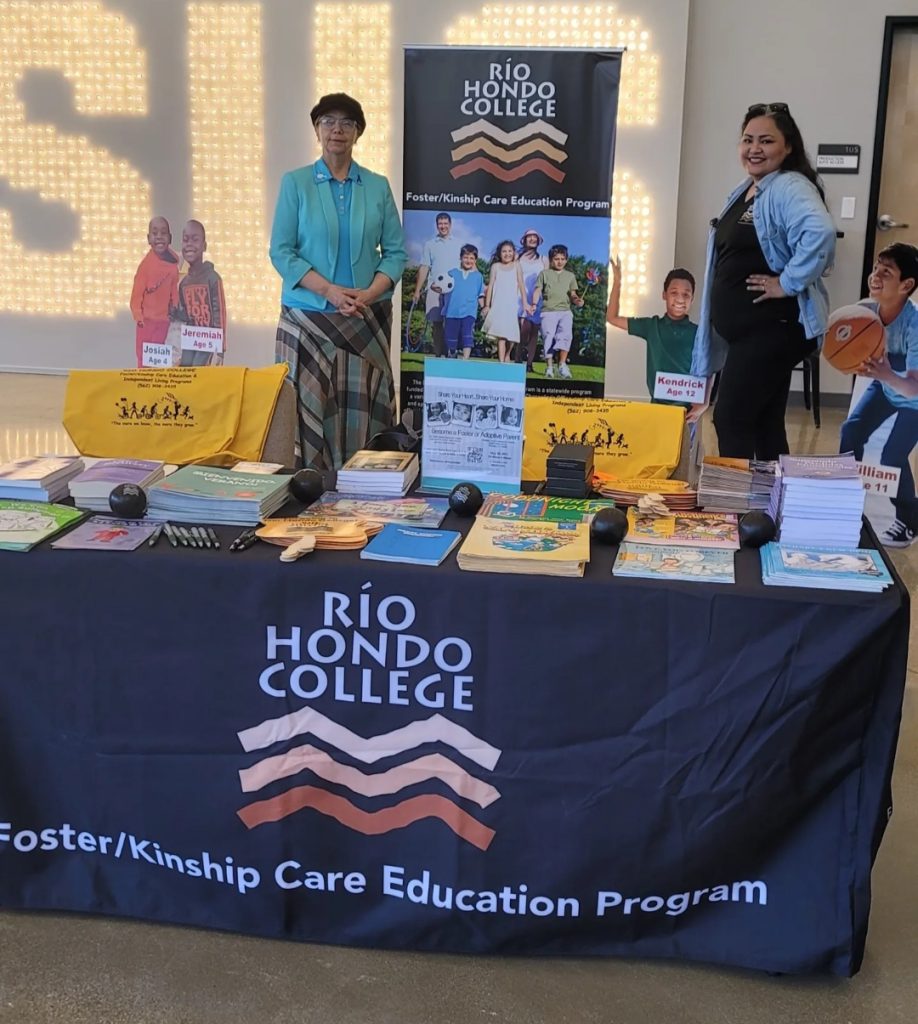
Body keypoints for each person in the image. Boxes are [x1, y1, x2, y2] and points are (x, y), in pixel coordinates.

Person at [688, 103, 836, 458]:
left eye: (766, 141)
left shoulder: (788, 186)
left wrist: (785, 283)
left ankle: (740, 510)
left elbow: (821, 231)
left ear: (788, 147)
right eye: (747, 139)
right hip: (753, 332)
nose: (754, 148)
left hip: (771, 328)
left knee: (731, 419)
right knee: (764, 424)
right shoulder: (746, 190)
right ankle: (768, 509)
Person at [270, 93, 407, 470]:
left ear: (358, 132)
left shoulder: (377, 186)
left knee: (365, 412)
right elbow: (281, 252)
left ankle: (366, 488)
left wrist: (369, 293)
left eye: (347, 123)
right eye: (328, 121)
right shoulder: (295, 183)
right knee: (308, 410)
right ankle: (308, 489)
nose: (337, 130)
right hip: (308, 320)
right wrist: (328, 290)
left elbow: (395, 253)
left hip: (365, 319)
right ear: (316, 129)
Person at [840, 242, 918, 548]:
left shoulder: (914, 324)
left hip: (913, 396)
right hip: (886, 385)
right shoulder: (866, 312)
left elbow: (913, 387)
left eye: (886, 272)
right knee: (851, 431)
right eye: (876, 268)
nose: (876, 275)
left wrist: (883, 373)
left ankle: (910, 517)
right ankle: (846, 502)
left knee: (892, 455)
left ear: (906, 285)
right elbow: (850, 352)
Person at [607, 259, 697, 406]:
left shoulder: (698, 333)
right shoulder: (651, 326)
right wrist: (617, 283)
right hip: (657, 408)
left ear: (692, 298)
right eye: (674, 292)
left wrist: (704, 403)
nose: (680, 299)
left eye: (686, 295)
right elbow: (612, 318)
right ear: (664, 295)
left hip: (688, 413)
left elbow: (710, 367)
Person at [173, 219, 226, 366]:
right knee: (185, 370)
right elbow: (186, 317)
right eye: (185, 240)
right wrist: (174, 312)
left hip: (209, 341)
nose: (189, 244)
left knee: (199, 372)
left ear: (204, 246)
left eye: (195, 239)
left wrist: (220, 350)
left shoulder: (213, 279)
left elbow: (220, 315)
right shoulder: (183, 284)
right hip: (190, 339)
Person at [130, 216, 179, 367]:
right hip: (146, 322)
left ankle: (157, 387)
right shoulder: (145, 266)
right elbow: (136, 295)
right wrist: (139, 317)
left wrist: (176, 309)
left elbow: (174, 290)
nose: (159, 237)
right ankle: (143, 388)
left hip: (164, 322)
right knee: (143, 358)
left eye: (163, 233)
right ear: (148, 238)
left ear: (170, 238)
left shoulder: (173, 266)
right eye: (155, 233)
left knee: (159, 360)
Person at [531, 244, 585, 378]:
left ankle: (562, 365)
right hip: (548, 311)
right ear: (550, 260)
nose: (559, 261)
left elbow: (573, 294)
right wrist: (533, 304)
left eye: (562, 259)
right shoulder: (544, 274)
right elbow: (537, 290)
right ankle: (549, 368)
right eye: (556, 259)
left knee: (565, 336)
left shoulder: (570, 276)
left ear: (566, 260)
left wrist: (577, 300)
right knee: (548, 337)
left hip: (565, 311)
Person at [412, 213, 461, 357]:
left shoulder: (459, 244)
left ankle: (451, 354)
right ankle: (438, 355)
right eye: (440, 223)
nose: (443, 226)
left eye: (446, 223)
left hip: (453, 289)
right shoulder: (429, 244)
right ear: (437, 225)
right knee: (437, 324)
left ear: (450, 225)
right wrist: (417, 290)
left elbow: (467, 265)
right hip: (434, 288)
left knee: (452, 323)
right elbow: (424, 267)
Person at [483, 240, 530, 362]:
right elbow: (491, 285)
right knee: (501, 336)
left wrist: (525, 303)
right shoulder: (495, 267)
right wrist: (487, 305)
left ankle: (507, 354)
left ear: (514, 253)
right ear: (499, 253)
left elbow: (521, 284)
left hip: (512, 306)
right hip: (498, 305)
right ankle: (501, 362)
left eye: (510, 251)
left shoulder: (516, 265)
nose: (507, 253)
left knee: (512, 336)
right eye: (504, 251)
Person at [516, 229, 549, 372]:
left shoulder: (543, 259)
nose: (532, 239)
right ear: (524, 240)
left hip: (537, 298)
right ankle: (517, 359)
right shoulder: (517, 257)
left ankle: (529, 364)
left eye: (535, 237)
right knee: (523, 330)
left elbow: (547, 280)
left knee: (534, 332)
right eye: (529, 237)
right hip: (519, 298)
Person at [444, 244, 485, 359]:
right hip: (452, 311)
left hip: (469, 312)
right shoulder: (452, 273)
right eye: (466, 257)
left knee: (467, 335)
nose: (468, 260)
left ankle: (465, 360)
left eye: (472, 258)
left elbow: (480, 295)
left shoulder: (478, 276)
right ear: (461, 258)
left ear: (475, 260)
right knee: (451, 338)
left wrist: (484, 308)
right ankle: (452, 354)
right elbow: (441, 287)